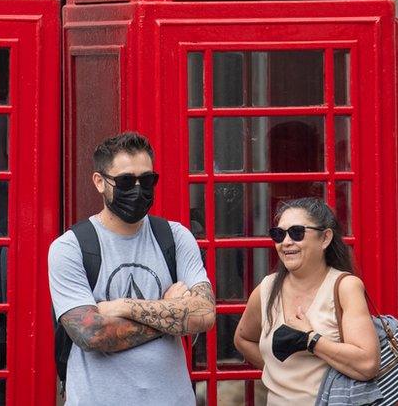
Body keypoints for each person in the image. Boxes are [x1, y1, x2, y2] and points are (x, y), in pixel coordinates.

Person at [47, 132, 215, 405]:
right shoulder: (71, 247)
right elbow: (91, 334)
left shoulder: (175, 236)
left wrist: (123, 306)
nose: (138, 190)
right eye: (125, 181)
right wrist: (170, 313)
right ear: (99, 182)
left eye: (147, 180)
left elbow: (205, 314)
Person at [233, 198, 380, 404]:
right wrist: (277, 371)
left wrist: (312, 340)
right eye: (278, 234)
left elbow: (367, 364)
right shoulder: (266, 289)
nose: (286, 242)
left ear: (325, 238)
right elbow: (243, 339)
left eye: (296, 232)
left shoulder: (345, 287)